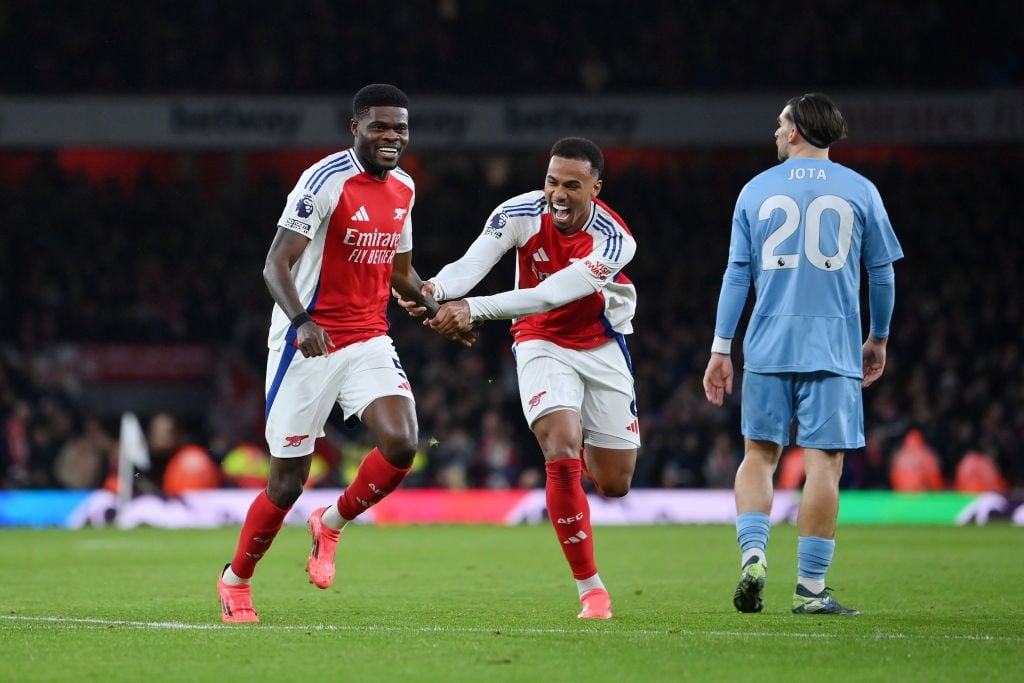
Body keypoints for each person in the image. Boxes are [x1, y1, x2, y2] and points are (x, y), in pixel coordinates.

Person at [216, 83, 473, 623]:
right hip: (306, 344)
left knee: (402, 444)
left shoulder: (403, 186)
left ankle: (330, 522)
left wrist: (435, 308)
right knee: (287, 482)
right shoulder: (322, 182)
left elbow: (400, 272)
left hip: (368, 337)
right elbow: (274, 265)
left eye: (399, 128)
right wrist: (302, 321)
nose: (391, 137)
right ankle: (236, 579)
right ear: (354, 127)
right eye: (379, 126)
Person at [400, 137, 639, 619]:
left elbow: (550, 293)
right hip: (539, 341)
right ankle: (591, 589)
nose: (559, 194)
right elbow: (472, 264)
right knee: (561, 442)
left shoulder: (616, 240)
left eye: (573, 185)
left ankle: (583, 463)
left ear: (596, 186)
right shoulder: (517, 213)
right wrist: (435, 290)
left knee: (615, 483)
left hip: (601, 344)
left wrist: (471, 309)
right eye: (552, 181)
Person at [702, 93, 903, 616]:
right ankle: (810, 589)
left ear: (795, 132)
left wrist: (721, 347)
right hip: (834, 347)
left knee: (759, 456)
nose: (774, 132)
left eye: (779, 123)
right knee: (823, 466)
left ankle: (753, 555)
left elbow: (737, 275)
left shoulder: (754, 191)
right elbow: (881, 272)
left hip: (767, 343)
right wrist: (877, 337)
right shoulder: (860, 190)